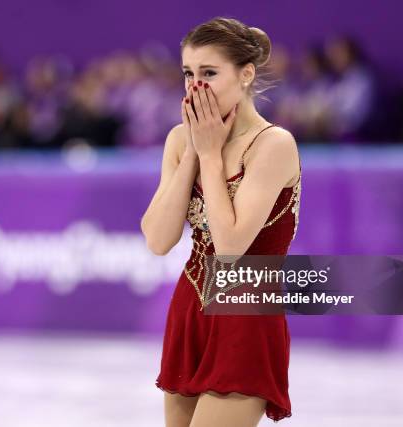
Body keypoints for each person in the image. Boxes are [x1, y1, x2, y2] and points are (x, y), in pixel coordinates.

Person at [140, 17, 301, 426]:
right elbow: (158, 239)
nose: (196, 85)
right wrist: (194, 151)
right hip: (190, 307)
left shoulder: (273, 145)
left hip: (247, 313)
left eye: (209, 73)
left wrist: (210, 155)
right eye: (188, 74)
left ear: (246, 75)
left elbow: (230, 249)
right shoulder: (180, 139)